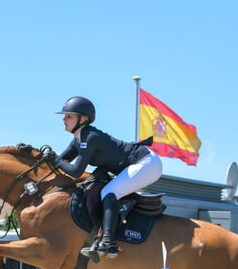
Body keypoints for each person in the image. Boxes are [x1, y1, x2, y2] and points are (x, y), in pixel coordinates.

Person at [53, 96, 163, 259]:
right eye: (65, 116)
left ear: (82, 119)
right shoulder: (79, 139)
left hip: (147, 163)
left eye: (69, 116)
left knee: (109, 192)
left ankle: (108, 243)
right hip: (137, 163)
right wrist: (47, 157)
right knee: (107, 190)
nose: (64, 119)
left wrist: (54, 159)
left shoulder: (90, 137)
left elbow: (75, 171)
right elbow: (61, 161)